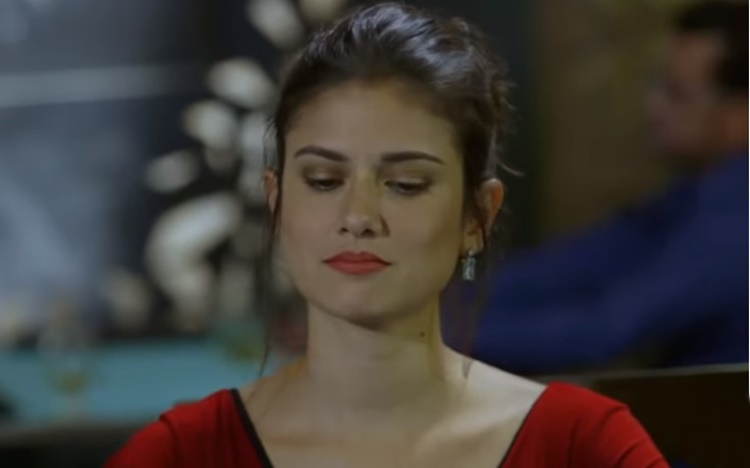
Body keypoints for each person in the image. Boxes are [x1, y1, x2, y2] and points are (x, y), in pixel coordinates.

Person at [106, 3, 667, 467]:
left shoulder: (579, 444)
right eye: (323, 181)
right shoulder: (186, 452)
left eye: (404, 184)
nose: (358, 216)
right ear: (276, 202)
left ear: (477, 216)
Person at [470, 1, 748, 375]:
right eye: (656, 84)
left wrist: (433, 336)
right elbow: (575, 267)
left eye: (676, 93)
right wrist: (434, 293)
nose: (652, 107)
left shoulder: (736, 217)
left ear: (742, 112)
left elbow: (602, 331)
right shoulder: (695, 195)